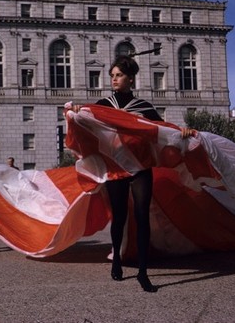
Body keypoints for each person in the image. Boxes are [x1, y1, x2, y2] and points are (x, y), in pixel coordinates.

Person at [67, 55, 194, 292]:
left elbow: (163, 129)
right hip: (116, 168)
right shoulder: (102, 105)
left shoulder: (144, 107)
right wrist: (75, 112)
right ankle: (117, 260)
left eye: (119, 75)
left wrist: (182, 131)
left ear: (130, 79)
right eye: (112, 76)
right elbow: (85, 124)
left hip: (140, 167)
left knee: (142, 215)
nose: (114, 79)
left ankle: (143, 272)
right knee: (120, 216)